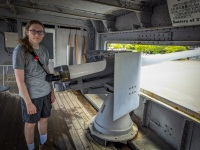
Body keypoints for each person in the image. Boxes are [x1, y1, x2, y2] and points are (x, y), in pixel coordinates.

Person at [12, 20, 56, 150]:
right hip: (32, 96)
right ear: (27, 32)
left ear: (43, 34)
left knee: (44, 119)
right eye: (33, 31)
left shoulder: (44, 49)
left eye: (40, 32)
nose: (37, 34)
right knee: (30, 124)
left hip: (46, 92)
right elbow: (19, 81)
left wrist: (52, 91)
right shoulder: (20, 50)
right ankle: (31, 148)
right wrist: (28, 102)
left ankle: (44, 143)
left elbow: (47, 71)